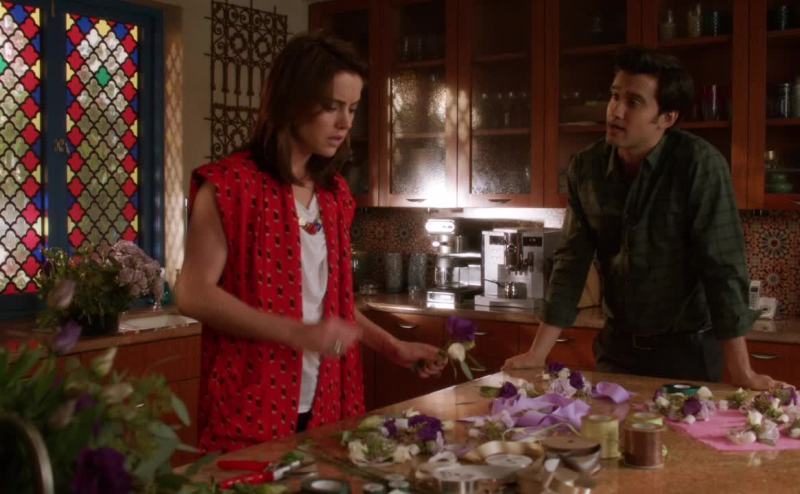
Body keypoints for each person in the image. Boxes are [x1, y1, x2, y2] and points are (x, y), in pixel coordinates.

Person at [176, 32, 445, 453]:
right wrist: (296, 333)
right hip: (250, 401)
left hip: (329, 402)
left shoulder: (334, 196)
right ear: (292, 102)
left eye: (352, 109)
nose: (345, 123)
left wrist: (391, 346)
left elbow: (334, 304)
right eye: (332, 106)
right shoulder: (230, 187)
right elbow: (192, 293)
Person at [504, 46, 777, 390]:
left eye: (633, 102)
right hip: (617, 348)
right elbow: (571, 262)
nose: (616, 111)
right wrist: (536, 354)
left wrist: (742, 372)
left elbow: (722, 268)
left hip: (686, 351)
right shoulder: (587, 168)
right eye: (614, 96)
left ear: (667, 118)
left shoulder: (698, 165)